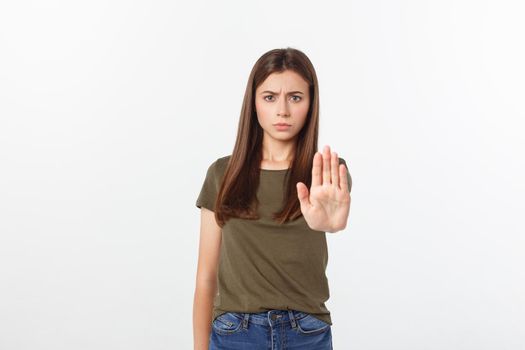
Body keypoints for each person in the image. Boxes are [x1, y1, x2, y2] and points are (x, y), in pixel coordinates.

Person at [192, 47, 352, 350]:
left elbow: (333, 218)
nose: (283, 110)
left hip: (307, 334)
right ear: (253, 103)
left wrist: (331, 225)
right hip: (234, 333)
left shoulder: (327, 173)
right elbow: (205, 278)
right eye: (270, 97)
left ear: (310, 103)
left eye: (295, 97)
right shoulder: (222, 173)